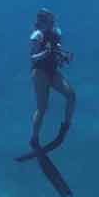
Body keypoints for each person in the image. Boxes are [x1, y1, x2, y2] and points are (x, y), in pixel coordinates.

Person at [29, 8, 76, 149]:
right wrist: (45, 53)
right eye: (50, 21)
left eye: (53, 20)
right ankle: (34, 138)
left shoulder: (56, 32)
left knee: (71, 95)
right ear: (43, 22)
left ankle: (65, 126)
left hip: (52, 71)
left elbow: (57, 47)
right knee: (42, 108)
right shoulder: (37, 35)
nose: (53, 23)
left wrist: (62, 56)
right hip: (40, 74)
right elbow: (32, 57)